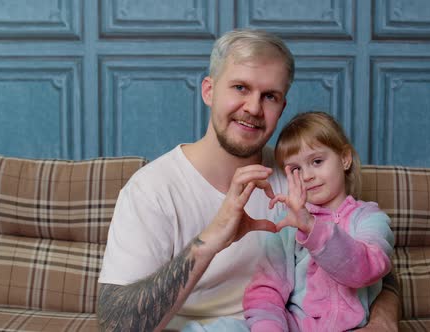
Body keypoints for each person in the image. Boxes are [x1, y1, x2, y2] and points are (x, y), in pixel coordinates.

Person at [97, 28, 399, 332]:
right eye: (240, 88)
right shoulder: (152, 190)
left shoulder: (299, 176)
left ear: (281, 107)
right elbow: (115, 327)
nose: (254, 108)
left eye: (269, 96)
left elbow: (372, 270)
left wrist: (383, 321)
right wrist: (209, 241)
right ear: (209, 91)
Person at [243, 112, 394, 331]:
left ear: (345, 158)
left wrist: (311, 226)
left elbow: (366, 268)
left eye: (317, 161)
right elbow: (266, 291)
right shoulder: (286, 223)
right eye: (295, 169)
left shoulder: (370, 219)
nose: (306, 176)